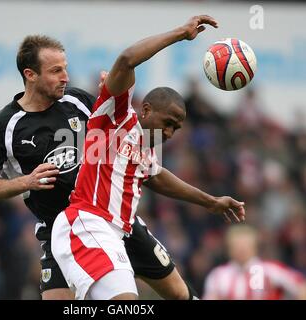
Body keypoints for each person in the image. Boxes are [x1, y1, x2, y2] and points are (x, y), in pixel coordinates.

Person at [0, 34, 198, 300]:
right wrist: (25, 182)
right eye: (56, 71)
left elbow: (124, 140)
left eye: (65, 68)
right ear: (30, 74)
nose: (65, 76)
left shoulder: (77, 101)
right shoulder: (2, 127)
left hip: (110, 218)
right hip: (59, 229)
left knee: (179, 294)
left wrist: (110, 95)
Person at [51, 15, 246, 300]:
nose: (170, 132)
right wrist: (180, 33)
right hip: (88, 222)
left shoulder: (148, 143)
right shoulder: (115, 115)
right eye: (168, 122)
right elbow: (127, 59)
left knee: (181, 294)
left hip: (122, 231)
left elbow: (156, 176)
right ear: (146, 109)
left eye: (176, 128)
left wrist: (212, 201)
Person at [203, 224, 306, 300]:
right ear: (229, 248)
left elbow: (301, 288)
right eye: (237, 245)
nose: (241, 249)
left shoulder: (271, 270)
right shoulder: (218, 275)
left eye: (245, 244)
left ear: (254, 246)